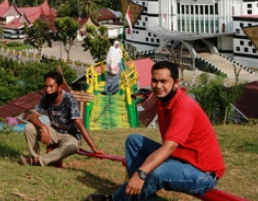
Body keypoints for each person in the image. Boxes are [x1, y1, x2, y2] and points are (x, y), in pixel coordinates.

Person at [91, 60, 225, 200]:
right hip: (178, 160)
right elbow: (145, 105)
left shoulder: (184, 108)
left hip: (203, 173)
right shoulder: (163, 98)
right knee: (134, 141)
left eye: (164, 81)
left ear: (176, 83)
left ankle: (116, 199)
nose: (158, 86)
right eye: (154, 81)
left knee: (155, 173)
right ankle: (141, 195)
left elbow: (169, 147)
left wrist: (141, 173)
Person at [21, 71, 103, 166]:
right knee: (29, 128)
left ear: (60, 87)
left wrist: (94, 148)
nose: (47, 90)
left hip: (70, 136)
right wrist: (43, 128)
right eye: (46, 86)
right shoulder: (45, 98)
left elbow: (79, 124)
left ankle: (40, 161)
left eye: (51, 86)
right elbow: (32, 117)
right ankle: (34, 157)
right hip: (54, 132)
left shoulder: (69, 99)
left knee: (71, 146)